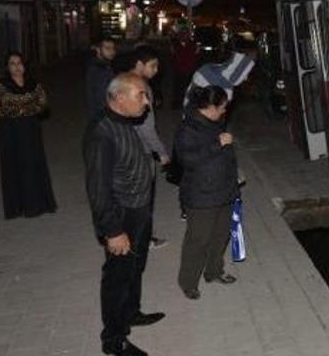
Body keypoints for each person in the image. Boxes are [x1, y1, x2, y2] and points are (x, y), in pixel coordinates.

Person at [83, 73, 164, 356]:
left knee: (136, 266)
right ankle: (113, 338)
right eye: (140, 95)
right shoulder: (101, 132)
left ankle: (131, 312)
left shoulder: (127, 119)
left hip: (140, 209)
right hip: (121, 215)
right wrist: (112, 230)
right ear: (119, 98)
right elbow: (98, 188)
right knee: (117, 275)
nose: (147, 101)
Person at [175, 85, 238, 300]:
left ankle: (214, 271)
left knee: (221, 235)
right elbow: (187, 159)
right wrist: (217, 144)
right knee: (198, 240)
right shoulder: (188, 128)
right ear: (210, 106)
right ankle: (188, 282)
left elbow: (226, 154)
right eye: (222, 107)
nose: (224, 111)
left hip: (225, 190)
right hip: (201, 195)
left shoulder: (217, 122)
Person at [0, 52, 56, 219]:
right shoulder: (0, 86)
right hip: (10, 130)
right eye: (12, 63)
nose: (17, 67)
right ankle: (16, 207)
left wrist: (24, 110)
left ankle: (36, 205)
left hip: (30, 129)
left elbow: (44, 104)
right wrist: (23, 110)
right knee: (14, 166)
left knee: (33, 164)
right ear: (7, 67)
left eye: (19, 63)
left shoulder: (33, 84)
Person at [127, 46, 168, 250]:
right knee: (144, 199)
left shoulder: (121, 81)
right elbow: (147, 125)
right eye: (153, 66)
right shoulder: (141, 88)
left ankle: (132, 237)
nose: (156, 70)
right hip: (140, 151)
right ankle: (141, 240)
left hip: (123, 148)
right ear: (140, 65)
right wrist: (161, 151)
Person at [85, 37, 117, 121]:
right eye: (107, 48)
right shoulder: (99, 69)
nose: (112, 51)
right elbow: (101, 96)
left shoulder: (105, 65)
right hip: (102, 115)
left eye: (113, 48)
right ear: (98, 50)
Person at [170, 28, 197, 109]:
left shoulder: (192, 44)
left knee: (188, 86)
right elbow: (173, 57)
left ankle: (188, 102)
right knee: (178, 86)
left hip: (189, 68)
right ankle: (177, 102)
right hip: (179, 68)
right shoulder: (176, 45)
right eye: (182, 34)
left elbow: (194, 56)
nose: (184, 36)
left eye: (186, 34)